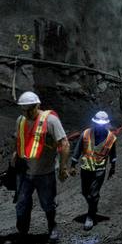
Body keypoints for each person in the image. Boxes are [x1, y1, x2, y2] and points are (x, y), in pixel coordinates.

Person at [13, 91, 70, 242]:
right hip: (24, 171)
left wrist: (63, 168)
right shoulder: (21, 120)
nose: (26, 113)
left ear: (37, 105)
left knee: (47, 204)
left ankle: (52, 226)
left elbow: (64, 144)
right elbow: (19, 139)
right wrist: (15, 156)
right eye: (23, 110)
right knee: (21, 205)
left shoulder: (50, 121)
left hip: (45, 172)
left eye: (29, 109)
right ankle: (23, 233)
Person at [70, 111, 116, 231]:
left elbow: (113, 154)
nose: (100, 127)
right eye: (98, 124)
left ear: (106, 124)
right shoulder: (85, 134)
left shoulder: (111, 138)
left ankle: (90, 216)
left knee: (94, 194)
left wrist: (113, 167)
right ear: (94, 123)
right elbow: (78, 149)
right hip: (85, 168)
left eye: (102, 125)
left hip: (99, 169)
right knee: (85, 192)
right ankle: (93, 206)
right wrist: (73, 164)